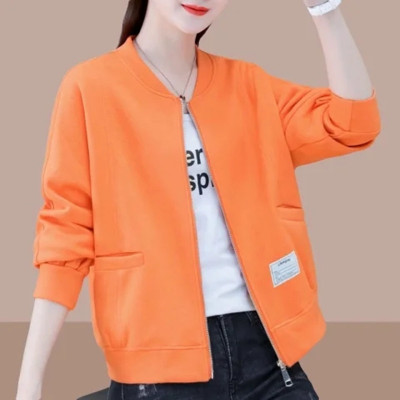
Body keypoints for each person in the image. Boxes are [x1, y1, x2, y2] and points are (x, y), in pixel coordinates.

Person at [17, 0, 381, 399]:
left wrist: (324, 8)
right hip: (156, 364)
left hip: (267, 352)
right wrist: (30, 381)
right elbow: (64, 239)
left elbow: (353, 124)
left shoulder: (248, 84)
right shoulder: (91, 88)